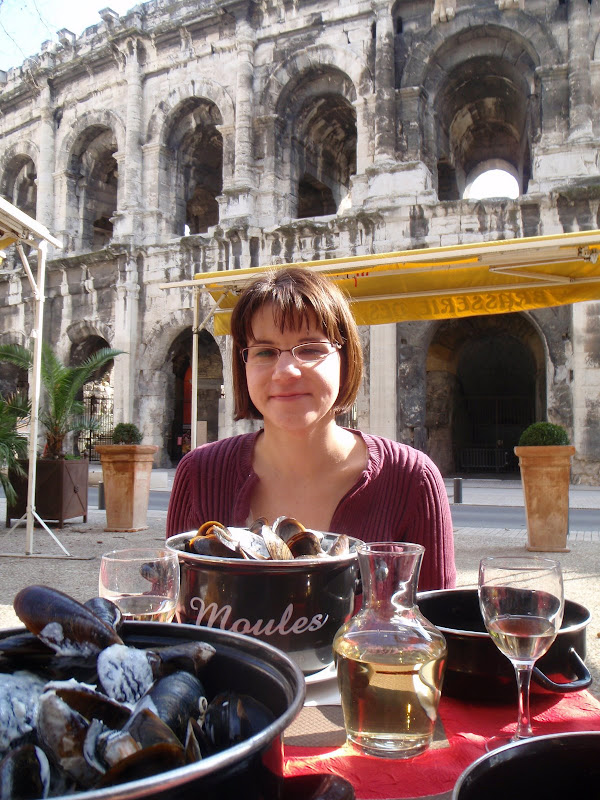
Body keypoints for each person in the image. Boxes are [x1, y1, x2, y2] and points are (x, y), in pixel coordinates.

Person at [166, 267, 455, 591]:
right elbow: (175, 610)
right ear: (243, 365)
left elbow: (437, 617)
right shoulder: (199, 475)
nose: (286, 371)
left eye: (310, 348)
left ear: (345, 358)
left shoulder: (413, 480)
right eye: (264, 351)